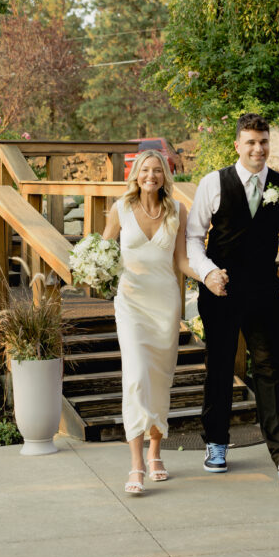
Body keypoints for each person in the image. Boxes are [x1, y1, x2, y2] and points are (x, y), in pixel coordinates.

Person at [186, 112, 279, 488]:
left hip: (263, 291)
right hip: (220, 289)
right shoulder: (214, 183)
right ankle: (216, 443)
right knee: (221, 366)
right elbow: (193, 238)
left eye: (264, 141)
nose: (258, 149)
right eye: (251, 142)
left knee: (271, 368)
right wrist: (208, 272)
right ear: (238, 145)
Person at [102, 149, 207, 494]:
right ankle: (135, 464)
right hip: (130, 303)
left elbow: (183, 260)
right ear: (136, 175)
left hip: (164, 305)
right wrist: (91, 267)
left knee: (160, 380)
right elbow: (103, 250)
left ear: (165, 175)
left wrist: (208, 277)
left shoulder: (178, 210)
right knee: (134, 377)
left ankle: (156, 451)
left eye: (158, 170)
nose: (152, 175)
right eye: (145, 170)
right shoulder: (120, 209)